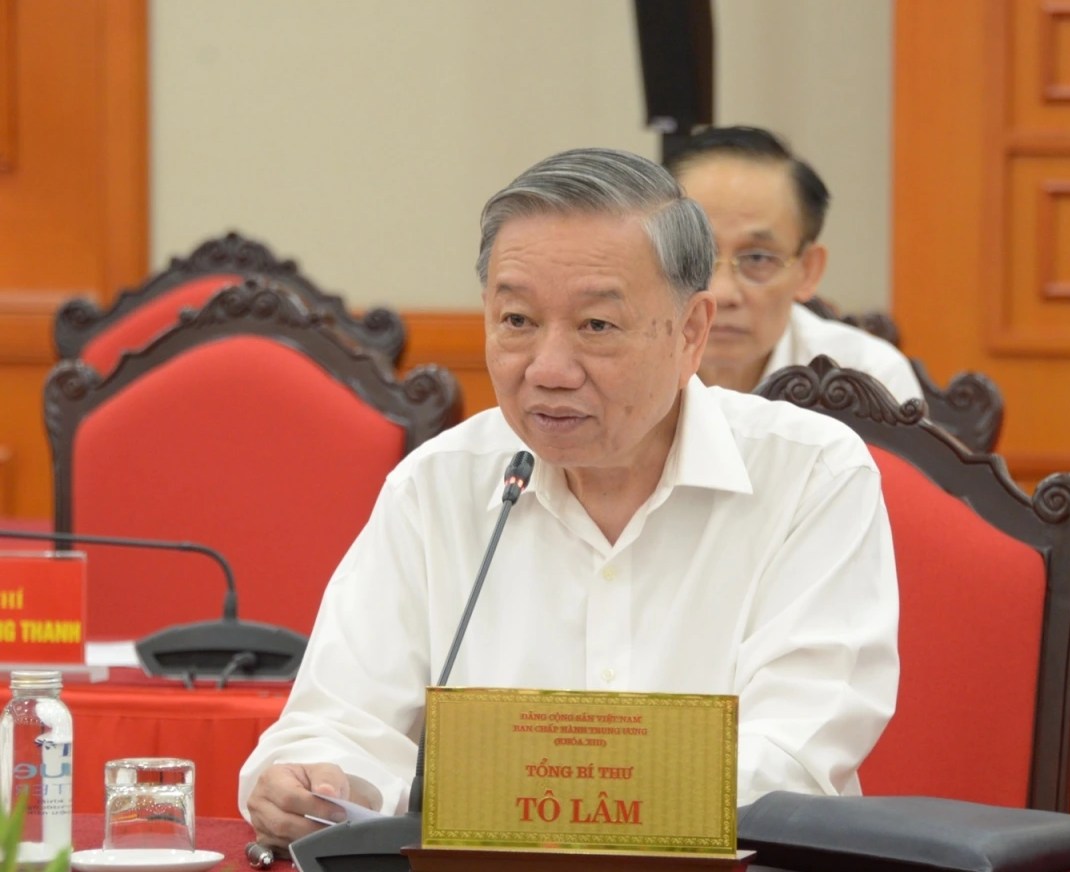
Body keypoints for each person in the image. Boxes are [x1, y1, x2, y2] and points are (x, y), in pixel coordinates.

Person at [239, 147, 899, 850]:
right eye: (517, 321)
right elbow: (338, 719)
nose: (548, 371)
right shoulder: (438, 485)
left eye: (596, 327)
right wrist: (316, 781)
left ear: (691, 333)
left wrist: (549, 796)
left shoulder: (813, 476)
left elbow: (796, 754)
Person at [663, 126, 923, 402]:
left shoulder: (868, 377)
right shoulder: (620, 365)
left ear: (807, 270)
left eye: (757, 259)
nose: (722, 293)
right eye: (696, 255)